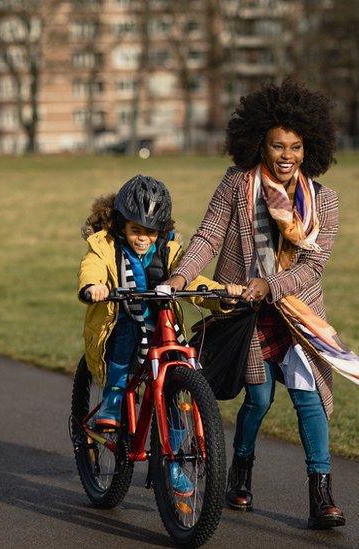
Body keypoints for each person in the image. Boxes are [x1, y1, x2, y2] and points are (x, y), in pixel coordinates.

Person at [163, 78, 346, 529]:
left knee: (309, 399)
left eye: (296, 147)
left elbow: (312, 267)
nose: (287, 156)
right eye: (278, 146)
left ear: (310, 149)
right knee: (259, 398)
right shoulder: (237, 184)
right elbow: (208, 235)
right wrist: (181, 276)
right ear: (259, 144)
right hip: (245, 313)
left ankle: (321, 496)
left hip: (298, 314)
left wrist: (271, 284)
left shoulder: (323, 201)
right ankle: (240, 475)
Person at [78, 175, 239, 497]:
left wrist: (220, 294)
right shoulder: (105, 247)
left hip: (163, 327)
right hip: (123, 319)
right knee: (123, 342)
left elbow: (190, 279)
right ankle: (111, 404)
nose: (142, 238)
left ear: (161, 230)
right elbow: (92, 267)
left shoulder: (170, 252)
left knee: (176, 390)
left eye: (150, 232)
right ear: (122, 225)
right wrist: (93, 286)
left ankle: (175, 462)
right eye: (136, 230)